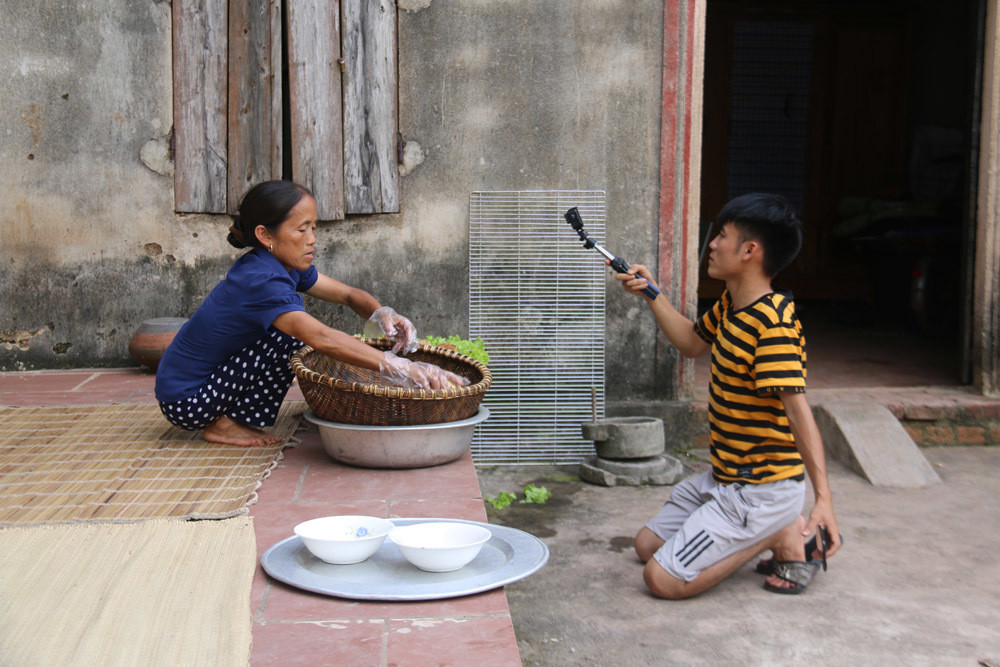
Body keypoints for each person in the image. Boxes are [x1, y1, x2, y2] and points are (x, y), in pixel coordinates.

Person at [614, 192, 842, 597]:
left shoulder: (772, 327)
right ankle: (767, 529)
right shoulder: (733, 305)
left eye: (722, 235)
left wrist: (822, 499)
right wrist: (651, 293)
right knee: (646, 547)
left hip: (761, 489)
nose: (713, 244)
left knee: (662, 580)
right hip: (725, 479)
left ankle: (777, 535)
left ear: (750, 250)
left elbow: (799, 413)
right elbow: (690, 342)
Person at [155, 180, 467, 447]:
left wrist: (382, 313)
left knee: (287, 335)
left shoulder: (281, 266)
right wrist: (399, 368)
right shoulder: (261, 281)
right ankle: (223, 424)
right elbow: (320, 337)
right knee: (287, 337)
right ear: (266, 236)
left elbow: (347, 294)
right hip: (187, 400)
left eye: (314, 228)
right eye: (302, 229)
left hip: (204, 385)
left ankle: (239, 416)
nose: (313, 238)